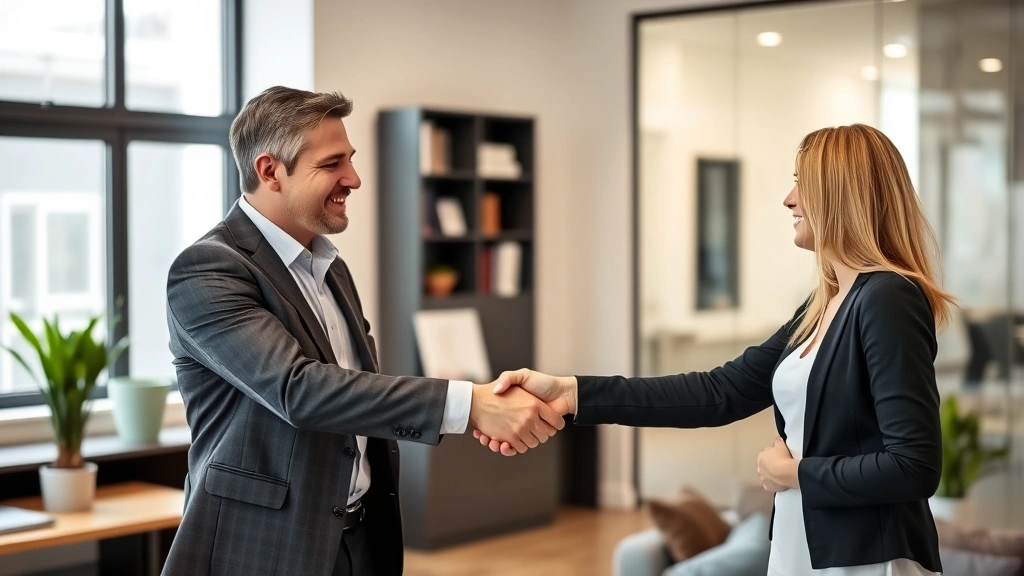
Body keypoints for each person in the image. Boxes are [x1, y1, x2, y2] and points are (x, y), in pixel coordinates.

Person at [478, 124, 953, 574]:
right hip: (800, 543)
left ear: (843, 196)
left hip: (866, 559)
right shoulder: (825, 302)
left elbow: (913, 466)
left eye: (801, 184)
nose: (789, 200)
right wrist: (571, 391)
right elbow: (719, 391)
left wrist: (796, 475)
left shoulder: (888, 297)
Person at [163, 86, 563, 576]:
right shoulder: (208, 269)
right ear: (270, 171)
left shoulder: (331, 268)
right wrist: (471, 404)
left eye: (350, 160)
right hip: (262, 547)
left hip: (357, 538)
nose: (353, 179)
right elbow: (299, 389)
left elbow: (353, 393)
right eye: (332, 164)